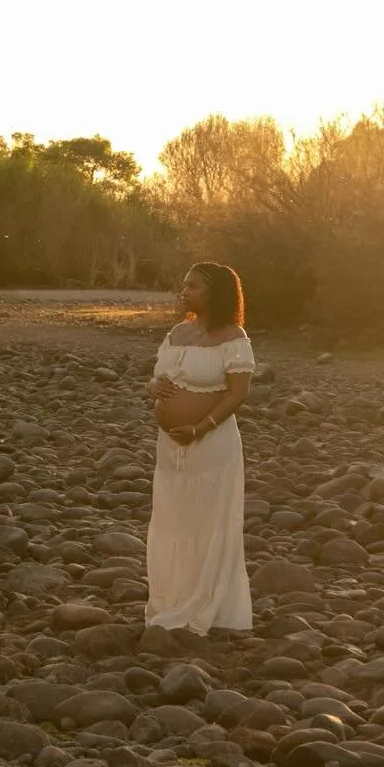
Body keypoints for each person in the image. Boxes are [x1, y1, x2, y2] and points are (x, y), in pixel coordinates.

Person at [145, 262, 256, 632]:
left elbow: (238, 393)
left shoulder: (233, 337)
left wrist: (199, 427)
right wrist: (153, 388)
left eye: (193, 286)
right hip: (170, 450)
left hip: (211, 445)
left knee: (207, 523)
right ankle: (173, 598)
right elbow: (160, 377)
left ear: (216, 293)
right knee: (174, 522)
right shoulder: (178, 331)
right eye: (184, 284)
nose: (184, 291)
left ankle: (208, 602)